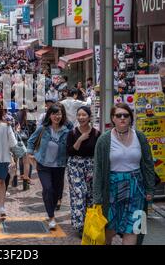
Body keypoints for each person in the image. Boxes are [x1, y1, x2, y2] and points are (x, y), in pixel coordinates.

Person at [93, 103, 155, 245]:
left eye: (126, 115)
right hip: (112, 189)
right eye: (118, 115)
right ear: (112, 119)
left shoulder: (140, 137)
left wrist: (150, 189)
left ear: (130, 118)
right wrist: (97, 197)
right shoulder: (104, 139)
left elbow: (148, 164)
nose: (122, 118)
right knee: (109, 229)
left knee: (134, 228)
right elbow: (98, 169)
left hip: (137, 188)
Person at [26, 104, 70, 229]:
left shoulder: (67, 131)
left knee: (56, 192)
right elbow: (31, 141)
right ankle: (51, 217)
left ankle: (51, 209)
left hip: (59, 166)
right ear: (49, 115)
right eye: (54, 113)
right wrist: (30, 154)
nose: (57, 116)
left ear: (63, 115)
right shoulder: (43, 129)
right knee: (48, 189)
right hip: (43, 164)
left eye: (59, 114)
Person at [66, 106, 101, 236]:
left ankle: (90, 223)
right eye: (79, 115)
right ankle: (79, 225)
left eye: (84, 115)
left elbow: (99, 152)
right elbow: (69, 152)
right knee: (79, 194)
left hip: (91, 166)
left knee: (90, 195)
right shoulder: (72, 133)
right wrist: (80, 139)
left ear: (89, 117)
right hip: (75, 165)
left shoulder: (97, 134)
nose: (81, 118)